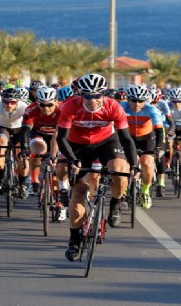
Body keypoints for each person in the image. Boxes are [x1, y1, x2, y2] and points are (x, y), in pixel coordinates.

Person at [56, 73, 138, 262]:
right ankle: (74, 240)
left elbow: (126, 139)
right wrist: (72, 159)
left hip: (106, 142)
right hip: (78, 145)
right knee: (78, 193)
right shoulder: (71, 106)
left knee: (120, 170)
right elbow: (61, 138)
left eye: (96, 96)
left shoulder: (113, 106)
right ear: (81, 95)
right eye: (88, 96)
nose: (92, 100)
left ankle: (116, 203)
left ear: (104, 94)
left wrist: (134, 164)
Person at [20, 86, 66, 219]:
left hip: (58, 136)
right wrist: (24, 148)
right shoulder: (31, 109)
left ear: (56, 101)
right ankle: (34, 181)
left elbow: (57, 136)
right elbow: (25, 130)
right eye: (42, 105)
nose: (46, 109)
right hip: (38, 134)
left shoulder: (62, 109)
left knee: (57, 168)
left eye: (49, 105)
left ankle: (60, 203)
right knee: (37, 150)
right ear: (37, 102)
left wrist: (53, 155)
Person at [120, 85, 164, 209]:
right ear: (128, 99)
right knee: (124, 164)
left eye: (141, 101)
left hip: (147, 138)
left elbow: (159, 130)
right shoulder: (122, 108)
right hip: (128, 138)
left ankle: (145, 191)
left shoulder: (151, 110)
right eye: (134, 100)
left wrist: (159, 147)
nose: (137, 104)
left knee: (146, 162)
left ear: (146, 101)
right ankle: (122, 192)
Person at [0, 88, 30, 198]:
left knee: (21, 155)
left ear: (18, 102)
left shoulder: (24, 107)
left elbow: (29, 126)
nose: (9, 105)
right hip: (2, 128)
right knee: (0, 146)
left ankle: (22, 184)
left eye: (13, 102)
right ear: (1, 101)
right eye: (6, 102)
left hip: (20, 129)